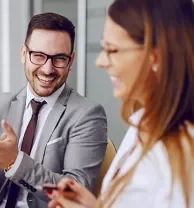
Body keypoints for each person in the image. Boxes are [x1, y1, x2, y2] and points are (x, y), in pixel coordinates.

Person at [47, 0, 194, 207]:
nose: (100, 61)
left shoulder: (178, 156)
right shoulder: (142, 125)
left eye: (112, 50)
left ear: (155, 56)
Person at [0, 13, 108, 208]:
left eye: (59, 58)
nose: (48, 69)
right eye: (38, 56)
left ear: (71, 61)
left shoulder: (87, 115)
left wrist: (15, 162)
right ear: (23, 54)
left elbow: (75, 194)